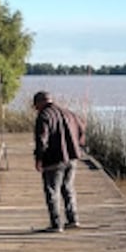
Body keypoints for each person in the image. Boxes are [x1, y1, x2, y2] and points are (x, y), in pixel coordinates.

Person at [33, 90, 85, 232]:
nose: (36, 109)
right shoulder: (69, 113)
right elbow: (81, 130)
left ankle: (56, 224)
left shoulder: (44, 116)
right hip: (72, 157)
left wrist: (39, 159)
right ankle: (73, 219)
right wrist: (78, 146)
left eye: (36, 106)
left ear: (40, 103)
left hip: (53, 159)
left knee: (52, 191)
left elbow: (41, 140)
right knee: (68, 188)